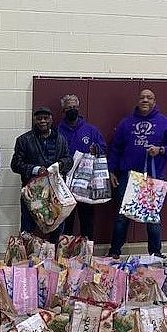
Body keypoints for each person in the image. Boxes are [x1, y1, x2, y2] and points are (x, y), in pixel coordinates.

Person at [107, 89, 167, 259]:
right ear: (138, 101)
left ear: (154, 101)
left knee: (153, 217)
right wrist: (112, 170)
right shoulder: (126, 123)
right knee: (122, 215)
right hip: (128, 176)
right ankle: (114, 251)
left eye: (149, 98)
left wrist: (161, 149)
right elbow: (115, 149)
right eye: (142, 97)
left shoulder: (166, 123)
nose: (145, 100)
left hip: (153, 178)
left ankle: (155, 253)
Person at [10, 107, 73, 243]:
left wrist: (60, 165)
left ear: (51, 119)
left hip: (55, 192)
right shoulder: (24, 140)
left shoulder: (61, 139)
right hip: (32, 193)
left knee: (57, 226)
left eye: (46, 118)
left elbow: (69, 160)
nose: (42, 121)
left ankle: (53, 258)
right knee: (28, 227)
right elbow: (15, 164)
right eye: (39, 118)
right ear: (34, 120)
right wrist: (35, 169)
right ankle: (25, 259)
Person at [58, 94, 107, 239]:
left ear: (78, 109)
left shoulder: (91, 130)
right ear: (63, 111)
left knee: (87, 219)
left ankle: (86, 252)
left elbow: (103, 148)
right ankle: (65, 253)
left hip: (85, 182)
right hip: (65, 180)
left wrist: (96, 148)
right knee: (66, 219)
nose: (72, 110)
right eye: (68, 108)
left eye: (74, 107)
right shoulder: (57, 130)